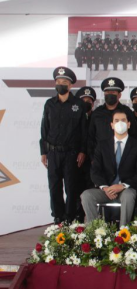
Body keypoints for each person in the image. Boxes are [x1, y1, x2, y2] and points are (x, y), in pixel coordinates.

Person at [81, 109, 137, 225]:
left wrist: (121, 186)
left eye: (123, 120)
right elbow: (95, 171)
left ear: (128, 124)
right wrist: (105, 188)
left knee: (128, 196)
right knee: (86, 195)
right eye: (116, 121)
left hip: (126, 189)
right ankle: (95, 231)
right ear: (112, 125)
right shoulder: (102, 146)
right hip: (107, 190)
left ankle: (123, 233)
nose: (119, 123)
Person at [40, 67, 87, 224]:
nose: (61, 84)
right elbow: (44, 129)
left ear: (70, 85)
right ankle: (57, 217)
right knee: (54, 187)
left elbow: (83, 131)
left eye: (64, 82)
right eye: (58, 82)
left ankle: (70, 218)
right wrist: (43, 152)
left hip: (71, 154)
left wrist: (82, 151)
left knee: (71, 188)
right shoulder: (49, 104)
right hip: (53, 153)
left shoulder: (78, 104)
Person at [88, 78, 137, 161]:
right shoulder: (97, 113)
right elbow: (90, 137)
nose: (110, 94)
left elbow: (134, 135)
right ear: (104, 94)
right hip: (100, 157)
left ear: (119, 95)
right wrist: (93, 158)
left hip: (123, 157)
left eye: (113, 92)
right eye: (107, 92)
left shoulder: (127, 112)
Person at [74, 86, 97, 221]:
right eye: (83, 100)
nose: (86, 103)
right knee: (75, 189)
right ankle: (77, 218)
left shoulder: (96, 116)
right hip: (75, 159)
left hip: (92, 161)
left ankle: (90, 218)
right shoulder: (74, 117)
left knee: (90, 189)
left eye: (89, 100)